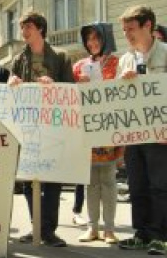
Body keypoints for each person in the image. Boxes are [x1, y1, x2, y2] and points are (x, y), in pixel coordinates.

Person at [9, 11, 74, 247]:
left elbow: (71, 91)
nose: (23, 32)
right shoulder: (18, 59)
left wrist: (54, 85)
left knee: (52, 179)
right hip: (27, 126)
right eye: (22, 27)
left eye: (27, 27)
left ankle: (49, 230)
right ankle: (36, 227)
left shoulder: (61, 56)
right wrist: (12, 84)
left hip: (53, 125)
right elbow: (10, 93)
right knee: (28, 179)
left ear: (40, 29)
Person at [116, 5, 167, 255]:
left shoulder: (166, 54)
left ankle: (160, 235)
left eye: (131, 29)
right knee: (137, 185)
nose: (127, 35)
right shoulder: (125, 59)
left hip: (160, 133)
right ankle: (142, 233)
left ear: (148, 26)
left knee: (160, 185)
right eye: (124, 30)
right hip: (133, 133)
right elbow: (114, 98)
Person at [72, 22, 122, 244]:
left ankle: (109, 229)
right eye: (89, 40)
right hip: (86, 129)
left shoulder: (118, 63)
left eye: (96, 39)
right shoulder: (79, 66)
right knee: (90, 182)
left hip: (110, 128)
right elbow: (68, 97)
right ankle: (93, 228)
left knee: (109, 181)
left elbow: (126, 94)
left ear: (105, 39)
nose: (92, 43)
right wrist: (77, 84)